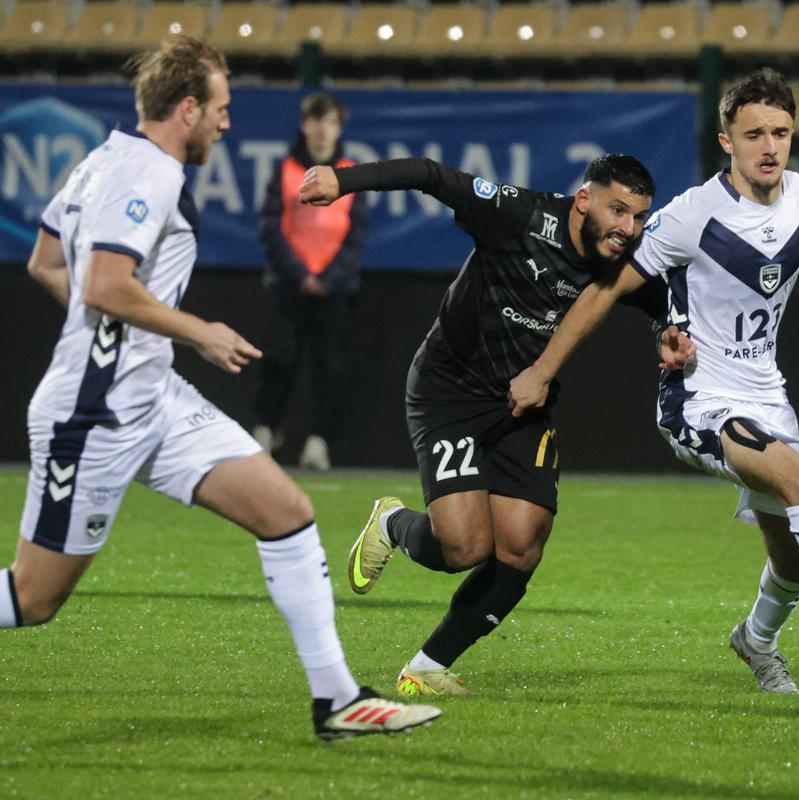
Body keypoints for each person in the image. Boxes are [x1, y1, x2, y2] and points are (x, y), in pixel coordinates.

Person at [2, 35, 439, 738]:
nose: (227, 124)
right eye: (222, 109)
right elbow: (103, 283)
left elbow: (44, 263)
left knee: (287, 512)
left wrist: (129, 336)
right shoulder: (149, 175)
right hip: (95, 414)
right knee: (32, 599)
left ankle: (337, 701)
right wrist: (194, 330)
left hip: (152, 398)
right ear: (186, 109)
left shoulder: (105, 157)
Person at [508, 68, 799, 693]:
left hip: (768, 397)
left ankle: (756, 641)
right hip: (699, 400)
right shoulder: (693, 215)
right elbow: (604, 293)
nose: (769, 146)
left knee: (795, 555)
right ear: (727, 140)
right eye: (754, 134)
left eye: (780, 132)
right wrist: (541, 369)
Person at [300, 153, 691, 696]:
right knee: (463, 549)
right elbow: (430, 175)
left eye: (640, 217)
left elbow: (660, 298)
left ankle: (427, 667)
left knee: (522, 544)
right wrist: (342, 180)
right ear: (584, 200)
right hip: (450, 392)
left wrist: (667, 331)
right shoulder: (518, 216)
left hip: (524, 405)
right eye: (618, 210)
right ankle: (393, 524)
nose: (629, 228)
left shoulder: (621, 257)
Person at [252, 91, 369, 472]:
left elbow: (356, 235)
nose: (322, 130)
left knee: (329, 367)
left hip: (335, 291)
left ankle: (319, 442)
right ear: (305, 125)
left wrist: (329, 278)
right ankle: (267, 431)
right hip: (290, 287)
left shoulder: (352, 172)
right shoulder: (285, 170)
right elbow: (270, 228)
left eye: (330, 122)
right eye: (316, 121)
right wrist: (301, 275)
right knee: (279, 359)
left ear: (339, 128)